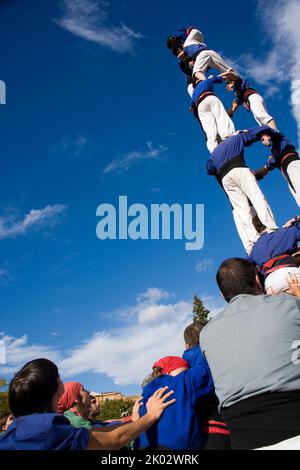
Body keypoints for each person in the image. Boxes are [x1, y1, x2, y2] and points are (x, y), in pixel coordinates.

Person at [200, 258, 300, 450]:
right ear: (257, 279)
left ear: (223, 295)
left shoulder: (207, 334)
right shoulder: (290, 304)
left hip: (243, 440)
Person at [0, 358, 175, 450]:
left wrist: (135, 421)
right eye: (58, 376)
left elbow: (93, 433)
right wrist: (151, 415)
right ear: (53, 388)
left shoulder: (18, 429)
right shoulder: (47, 429)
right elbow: (115, 439)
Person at [207, 131, 278, 254]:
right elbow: (255, 132)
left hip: (230, 185)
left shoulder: (215, 157)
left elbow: (209, 169)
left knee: (242, 212)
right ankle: (270, 228)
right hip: (240, 175)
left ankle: (254, 238)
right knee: (257, 199)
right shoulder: (235, 140)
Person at [134, 356, 214, 450]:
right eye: (185, 369)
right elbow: (211, 367)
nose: (188, 371)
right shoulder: (183, 381)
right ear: (169, 371)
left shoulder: (144, 395)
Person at [183, 323, 231, 450]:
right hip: (224, 425)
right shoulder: (219, 358)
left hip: (192, 433)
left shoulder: (179, 371)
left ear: (186, 345)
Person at [248, 215, 300, 294]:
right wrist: (295, 219)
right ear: (269, 219)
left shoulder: (254, 248)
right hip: (292, 275)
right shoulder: (285, 232)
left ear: (256, 228)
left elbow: (244, 266)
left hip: (271, 284)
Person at [251, 126, 300, 207]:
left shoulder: (278, 139)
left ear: (268, 136)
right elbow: (265, 169)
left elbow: (269, 130)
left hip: (293, 164)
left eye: (263, 139)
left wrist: (249, 134)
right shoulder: (274, 155)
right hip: (287, 174)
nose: (263, 143)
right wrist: (251, 175)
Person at [167, 28, 236, 82]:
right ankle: (238, 80)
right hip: (205, 48)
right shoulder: (186, 44)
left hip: (194, 37)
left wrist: (188, 59)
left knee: (196, 72)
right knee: (227, 70)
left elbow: (182, 53)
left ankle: (206, 82)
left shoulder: (181, 41)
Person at [189, 76, 235, 153]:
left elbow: (191, 108)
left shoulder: (194, 93)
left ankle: (213, 147)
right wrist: (230, 77)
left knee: (208, 126)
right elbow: (220, 78)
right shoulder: (206, 81)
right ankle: (227, 135)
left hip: (200, 105)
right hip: (210, 97)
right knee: (220, 116)